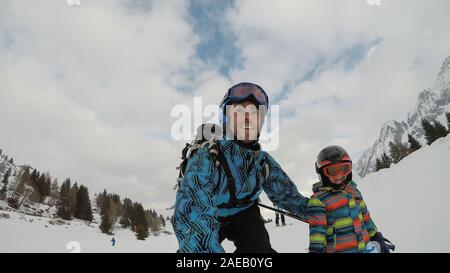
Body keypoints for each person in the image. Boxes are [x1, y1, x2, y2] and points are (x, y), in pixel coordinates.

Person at [172, 82, 308, 253]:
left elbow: (288, 196)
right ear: (226, 118)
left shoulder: (262, 161)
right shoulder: (206, 158)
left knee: (260, 251)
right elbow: (194, 215)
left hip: (245, 214)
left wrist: (322, 212)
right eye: (239, 111)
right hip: (212, 215)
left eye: (254, 113)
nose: (247, 117)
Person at [307, 145, 390, 253]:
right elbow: (317, 233)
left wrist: (375, 236)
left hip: (365, 249)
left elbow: (365, 218)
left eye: (343, 169)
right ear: (322, 173)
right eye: (332, 171)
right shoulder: (319, 200)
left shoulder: (354, 192)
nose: (339, 175)